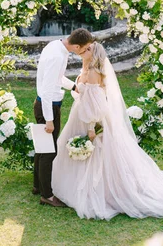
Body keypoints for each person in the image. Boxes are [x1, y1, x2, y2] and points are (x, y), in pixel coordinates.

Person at [52, 42, 163, 220]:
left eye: (89, 48)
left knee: (97, 154)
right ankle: (76, 185)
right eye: (85, 47)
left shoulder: (93, 72)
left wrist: (91, 127)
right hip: (80, 116)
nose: (84, 49)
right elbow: (83, 95)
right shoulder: (85, 69)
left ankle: (103, 190)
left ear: (94, 54)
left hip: (91, 120)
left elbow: (96, 105)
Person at [33, 28, 94, 207]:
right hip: (48, 106)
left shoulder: (56, 46)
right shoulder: (57, 57)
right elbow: (45, 91)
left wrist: (73, 87)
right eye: (84, 49)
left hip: (48, 104)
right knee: (48, 152)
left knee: (42, 148)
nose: (84, 52)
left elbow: (57, 78)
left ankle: (37, 185)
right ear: (76, 46)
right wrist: (49, 119)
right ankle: (47, 195)